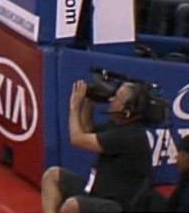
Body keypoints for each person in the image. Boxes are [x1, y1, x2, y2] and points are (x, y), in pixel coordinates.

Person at [40, 78, 155, 213]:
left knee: (72, 205)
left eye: (117, 98)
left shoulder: (130, 135)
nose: (111, 99)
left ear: (127, 110)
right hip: (98, 191)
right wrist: (89, 103)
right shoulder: (118, 124)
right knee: (52, 176)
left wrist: (74, 106)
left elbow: (77, 139)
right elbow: (87, 130)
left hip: (118, 205)